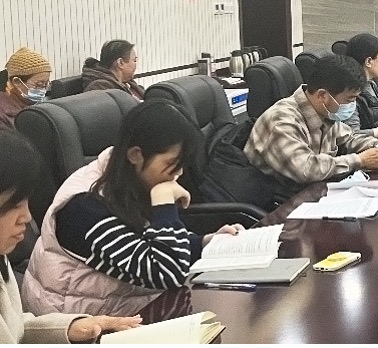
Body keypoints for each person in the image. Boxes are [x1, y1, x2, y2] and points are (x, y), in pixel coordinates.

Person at [23, 101, 245, 316]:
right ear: (135, 155)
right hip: (77, 323)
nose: (179, 174)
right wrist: (164, 201)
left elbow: (148, 244)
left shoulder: (126, 179)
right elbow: (167, 274)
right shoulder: (84, 208)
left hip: (124, 306)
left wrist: (206, 243)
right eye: (171, 164)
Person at [0, 131, 143, 342]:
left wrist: (70, 328)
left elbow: (13, 330)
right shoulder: (81, 207)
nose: (27, 217)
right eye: (14, 204)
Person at [244, 55, 378, 197]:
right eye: (349, 100)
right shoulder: (282, 120)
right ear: (322, 95)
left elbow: (350, 138)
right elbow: (306, 169)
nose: (351, 106)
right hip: (280, 203)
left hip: (314, 192)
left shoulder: (323, 111)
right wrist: (359, 160)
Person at [0, 48, 52, 131]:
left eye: (46, 84)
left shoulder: (33, 104)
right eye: (38, 85)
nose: (43, 90)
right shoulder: (3, 115)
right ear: (17, 82)